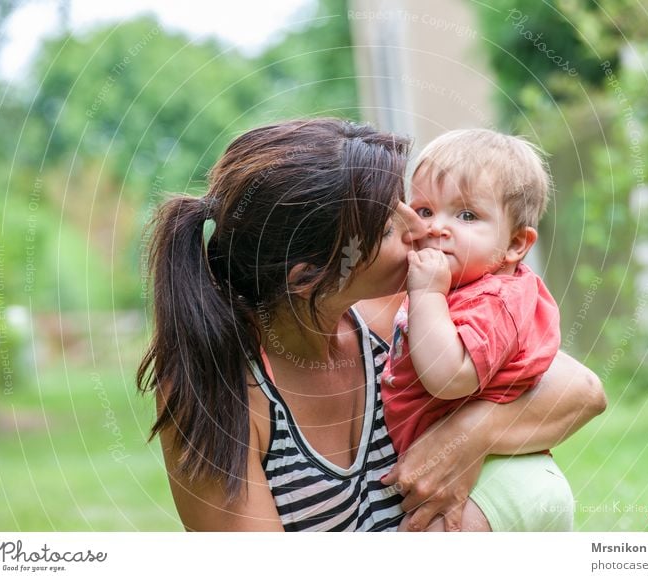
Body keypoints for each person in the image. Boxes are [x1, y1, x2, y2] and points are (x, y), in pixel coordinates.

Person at [137, 118, 606, 532]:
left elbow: (582, 390)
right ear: (309, 277)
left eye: (406, 204)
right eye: (387, 227)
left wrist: (465, 438)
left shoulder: (397, 311)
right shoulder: (217, 392)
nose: (421, 228)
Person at [382, 129, 567, 532]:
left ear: (516, 245)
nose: (437, 228)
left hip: (494, 481)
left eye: (467, 215)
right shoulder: (464, 288)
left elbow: (449, 379)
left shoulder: (494, 298)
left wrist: (427, 293)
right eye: (425, 210)